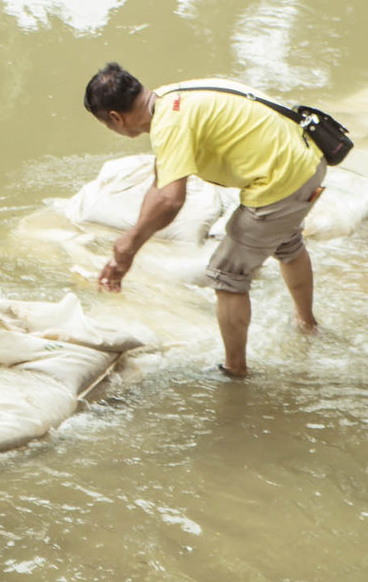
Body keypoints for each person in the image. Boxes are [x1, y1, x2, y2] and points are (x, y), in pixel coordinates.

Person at [83, 62, 325, 378]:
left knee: (226, 274)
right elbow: (161, 184)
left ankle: (235, 370)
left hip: (283, 179)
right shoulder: (170, 98)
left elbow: (171, 201)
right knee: (286, 241)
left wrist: (129, 245)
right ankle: (307, 325)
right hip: (306, 159)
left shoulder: (170, 124)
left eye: (107, 124)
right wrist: (129, 248)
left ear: (115, 118)